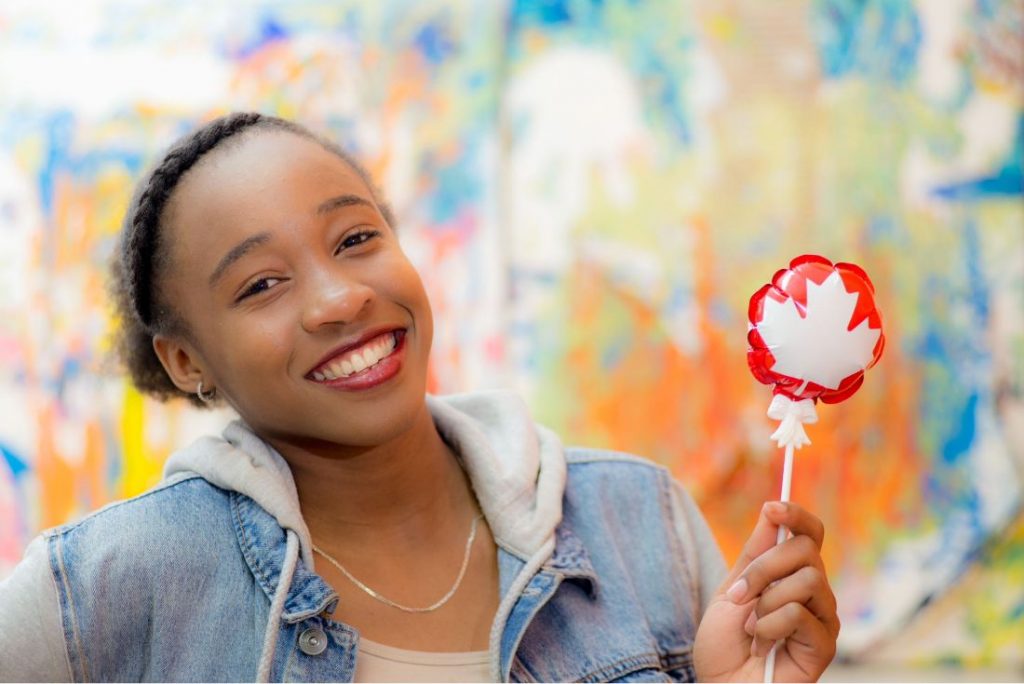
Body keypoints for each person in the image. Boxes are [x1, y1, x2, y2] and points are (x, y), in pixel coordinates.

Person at [0, 112, 839, 682]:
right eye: (262, 284)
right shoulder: (112, 582)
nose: (340, 298)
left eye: (357, 238)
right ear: (187, 361)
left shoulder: (639, 518)